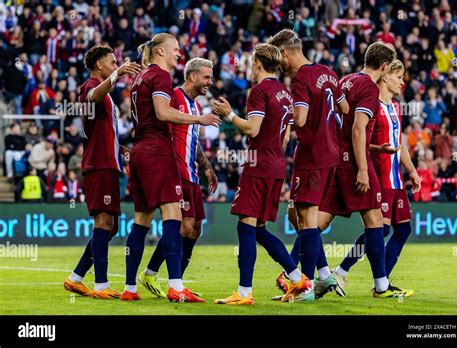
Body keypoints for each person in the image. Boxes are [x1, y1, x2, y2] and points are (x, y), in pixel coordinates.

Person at [121, 33, 220, 302]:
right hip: (157, 150)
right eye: (175, 49)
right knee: (174, 219)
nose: (179, 53)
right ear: (161, 51)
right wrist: (199, 118)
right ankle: (175, 286)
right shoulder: (161, 76)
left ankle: (130, 289)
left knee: (141, 222)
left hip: (139, 151)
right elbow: (163, 113)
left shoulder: (139, 78)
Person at [213, 43, 311, 305]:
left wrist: (229, 114)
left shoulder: (259, 91)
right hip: (277, 165)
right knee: (258, 229)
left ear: (257, 63)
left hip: (259, 166)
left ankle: (244, 292)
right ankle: (297, 277)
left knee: (245, 227)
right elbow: (286, 136)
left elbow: (253, 129)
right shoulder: (285, 93)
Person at [318, 42, 412, 298]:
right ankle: (359, 279)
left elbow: (339, 114)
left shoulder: (347, 80)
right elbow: (357, 130)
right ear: (384, 68)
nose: (401, 81)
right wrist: (362, 168)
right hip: (363, 167)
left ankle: (309, 275)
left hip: (341, 160)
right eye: (397, 75)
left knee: (318, 222)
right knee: (375, 224)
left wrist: (410, 169)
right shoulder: (370, 90)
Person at [266, 29, 349, 301]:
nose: (281, 69)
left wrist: (279, 114)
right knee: (301, 218)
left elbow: (299, 119)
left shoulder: (301, 78)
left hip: (312, 155)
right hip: (331, 153)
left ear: (286, 53)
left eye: (280, 62)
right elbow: (345, 109)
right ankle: (324, 275)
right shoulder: (328, 72)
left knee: (307, 219)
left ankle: (308, 287)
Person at [63, 45, 141, 299]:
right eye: (112, 61)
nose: (116, 63)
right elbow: (93, 96)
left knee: (112, 227)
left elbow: (107, 133)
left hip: (109, 163)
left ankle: (76, 277)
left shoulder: (107, 95)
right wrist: (117, 75)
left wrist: (127, 150)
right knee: (103, 223)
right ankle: (101, 285)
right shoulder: (91, 86)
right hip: (99, 164)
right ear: (100, 65)